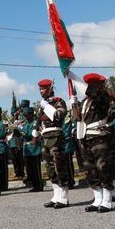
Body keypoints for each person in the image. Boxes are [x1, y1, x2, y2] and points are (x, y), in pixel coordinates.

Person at [71, 73, 115, 213]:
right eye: (88, 84)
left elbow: (112, 113)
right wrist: (74, 104)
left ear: (99, 85)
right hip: (85, 137)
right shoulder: (86, 101)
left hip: (100, 137)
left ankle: (107, 200)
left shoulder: (104, 97)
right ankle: (97, 198)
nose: (89, 87)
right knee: (90, 169)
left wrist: (73, 77)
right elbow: (77, 118)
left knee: (103, 168)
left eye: (92, 84)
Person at [37, 79, 73, 209]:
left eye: (43, 89)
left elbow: (58, 116)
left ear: (50, 88)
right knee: (50, 168)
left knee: (59, 166)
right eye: (40, 89)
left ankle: (63, 197)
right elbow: (40, 121)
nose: (41, 91)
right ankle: (56, 195)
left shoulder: (58, 101)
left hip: (56, 137)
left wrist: (46, 106)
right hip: (45, 137)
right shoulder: (42, 104)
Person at [21, 106, 44, 192]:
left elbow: (32, 135)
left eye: (27, 115)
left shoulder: (35, 123)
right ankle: (35, 185)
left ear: (31, 114)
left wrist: (22, 133)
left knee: (36, 169)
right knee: (29, 170)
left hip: (34, 149)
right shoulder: (26, 124)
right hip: (27, 150)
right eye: (25, 115)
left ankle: (39, 186)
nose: (26, 117)